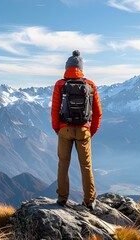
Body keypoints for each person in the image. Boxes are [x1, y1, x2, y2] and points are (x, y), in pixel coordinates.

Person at [51, 50, 102, 210]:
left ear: (67, 67)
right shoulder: (90, 85)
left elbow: (54, 110)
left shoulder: (60, 84)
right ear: (81, 68)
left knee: (63, 164)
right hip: (83, 130)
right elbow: (98, 113)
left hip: (64, 130)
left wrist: (58, 129)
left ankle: (62, 199)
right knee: (86, 166)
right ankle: (89, 200)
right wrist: (89, 131)